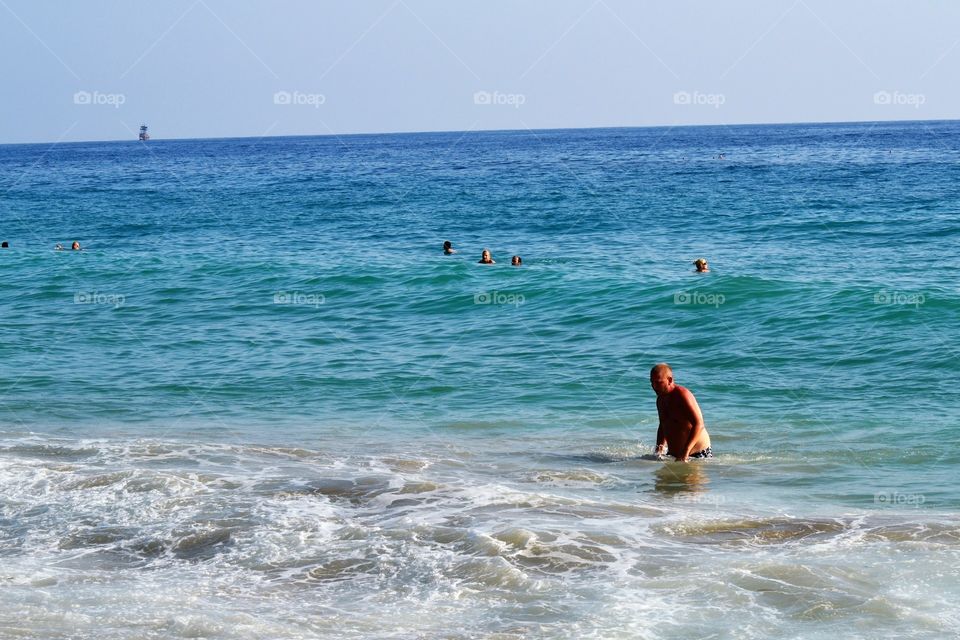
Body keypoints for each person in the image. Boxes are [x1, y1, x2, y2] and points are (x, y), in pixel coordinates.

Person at [650, 363, 712, 462]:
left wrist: (685, 452)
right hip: (675, 455)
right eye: (652, 382)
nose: (654, 386)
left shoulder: (682, 395)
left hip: (696, 455)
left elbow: (699, 424)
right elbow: (663, 425)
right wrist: (659, 450)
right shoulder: (660, 400)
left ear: (669, 380)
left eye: (658, 382)